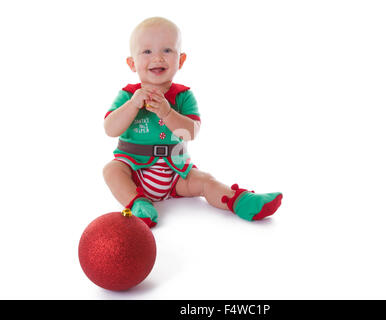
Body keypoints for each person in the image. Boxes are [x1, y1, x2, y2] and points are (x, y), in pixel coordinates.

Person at [103, 17, 282, 228]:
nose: (158, 57)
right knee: (112, 170)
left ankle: (239, 200)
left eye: (167, 50)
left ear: (181, 60)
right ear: (132, 63)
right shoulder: (127, 95)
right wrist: (133, 105)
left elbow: (190, 132)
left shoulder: (183, 96)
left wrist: (167, 112)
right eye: (147, 51)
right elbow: (110, 129)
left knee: (206, 181)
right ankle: (137, 203)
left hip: (176, 172)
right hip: (134, 171)